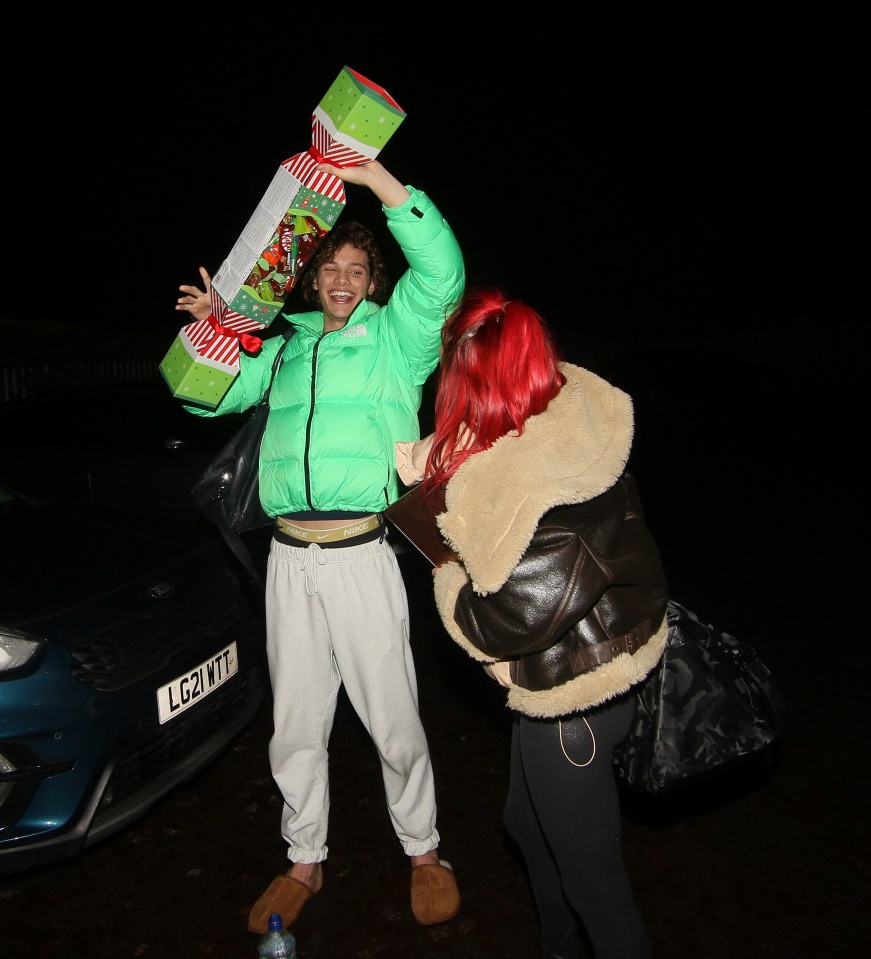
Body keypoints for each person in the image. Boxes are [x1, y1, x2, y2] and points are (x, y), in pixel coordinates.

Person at [174, 160, 465, 933]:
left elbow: (441, 274)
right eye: (330, 266)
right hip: (288, 562)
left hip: (362, 554)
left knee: (391, 714)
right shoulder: (283, 349)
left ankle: (424, 850)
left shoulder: (396, 343)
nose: (342, 277)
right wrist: (216, 328)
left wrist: (383, 184)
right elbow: (200, 395)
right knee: (296, 721)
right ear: (310, 281)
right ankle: (304, 856)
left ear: (372, 282)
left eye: (357, 268)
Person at [395, 288, 669, 959]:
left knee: (597, 887)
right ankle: (558, 944)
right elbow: (489, 440)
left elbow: (499, 621)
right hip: (583, 668)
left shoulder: (536, 490)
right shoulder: (564, 415)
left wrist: (446, 566)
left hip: (571, 699)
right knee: (524, 821)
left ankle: (566, 942)